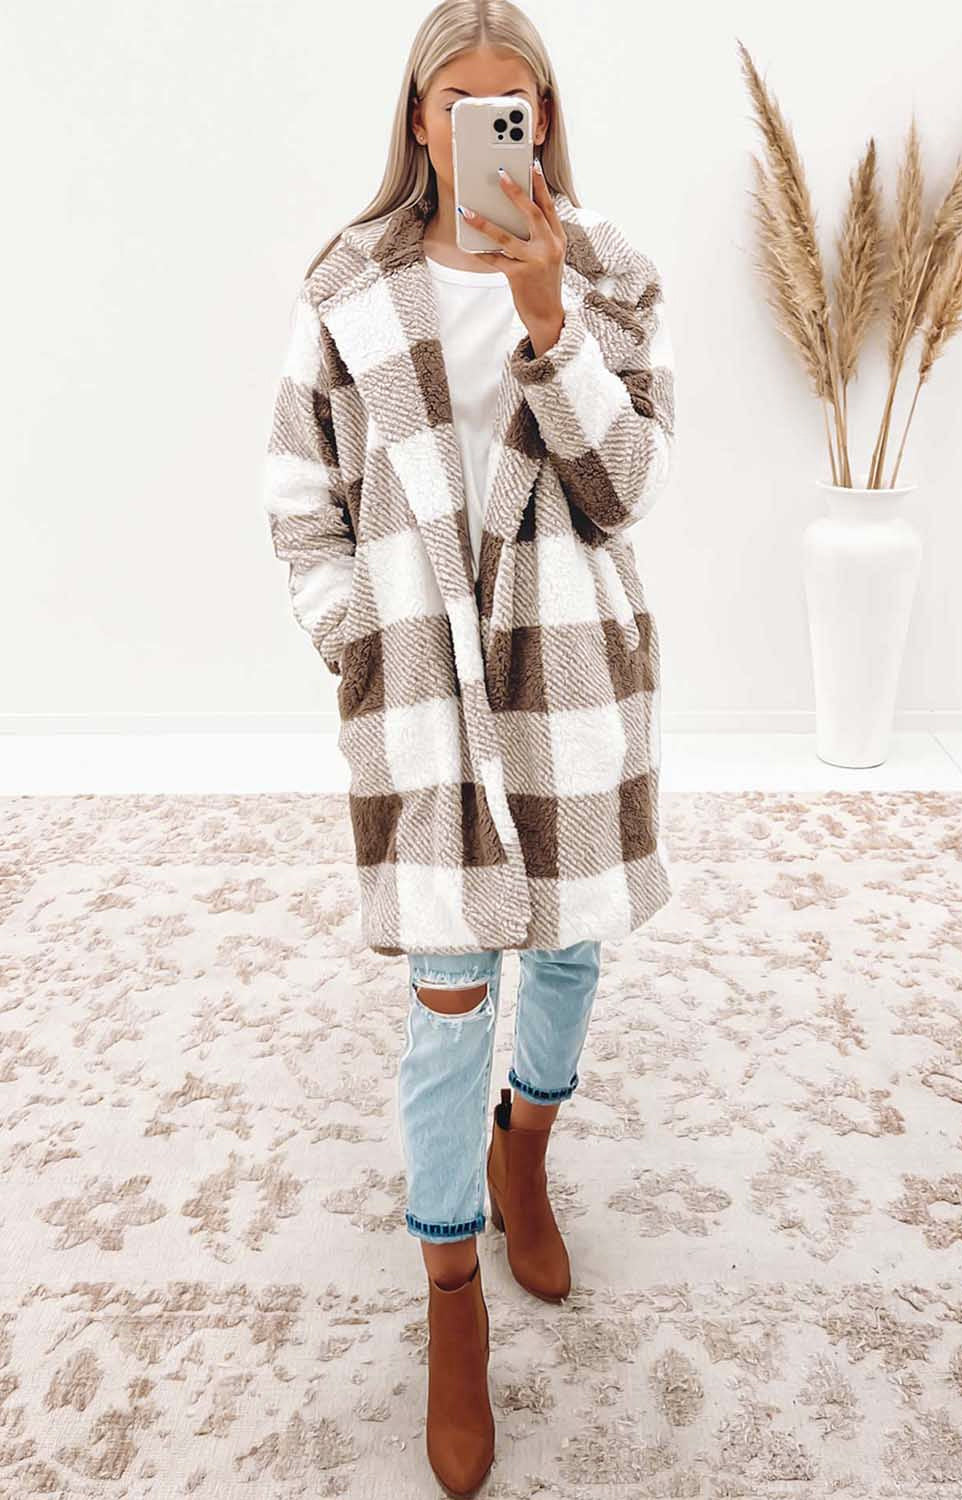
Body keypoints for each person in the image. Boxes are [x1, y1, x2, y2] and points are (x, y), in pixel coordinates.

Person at [261, 3, 676, 1492]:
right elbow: (300, 490)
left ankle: (527, 1151)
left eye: (515, 103)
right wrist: (352, 635)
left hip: (565, 674)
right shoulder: (350, 285)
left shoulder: (609, 273)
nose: (485, 124)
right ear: (419, 117)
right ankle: (451, 1297)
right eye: (457, 101)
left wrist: (552, 322)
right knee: (447, 1000)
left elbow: (627, 487)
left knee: (565, 953)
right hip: (422, 693)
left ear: (542, 120)